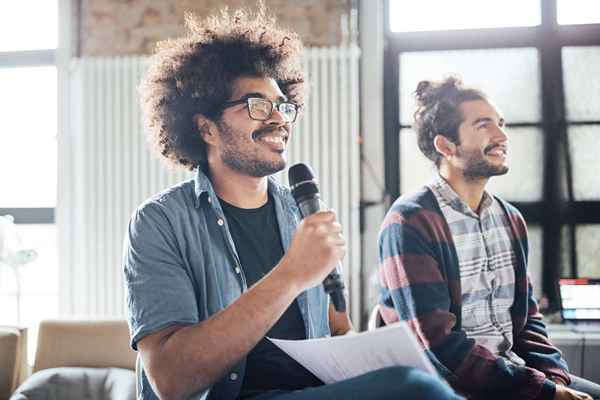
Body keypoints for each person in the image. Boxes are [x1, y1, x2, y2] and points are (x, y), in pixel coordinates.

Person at [123, 7, 462, 400]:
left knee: (428, 377)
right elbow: (170, 380)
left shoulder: (300, 214)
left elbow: (337, 330)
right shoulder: (159, 222)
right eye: (257, 106)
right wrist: (291, 275)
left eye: (283, 106)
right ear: (206, 127)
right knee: (412, 389)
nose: (279, 120)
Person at [377, 77, 600, 400]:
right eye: (484, 126)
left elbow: (528, 320)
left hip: (516, 378)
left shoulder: (510, 219)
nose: (502, 136)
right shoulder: (411, 221)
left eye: (501, 123)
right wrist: (541, 392)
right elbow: (439, 346)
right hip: (450, 387)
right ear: (446, 146)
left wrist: (555, 381)